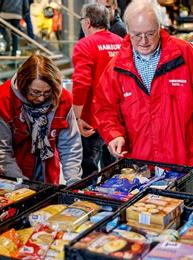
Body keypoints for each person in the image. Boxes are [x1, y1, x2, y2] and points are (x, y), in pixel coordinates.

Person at [94, 0, 193, 194]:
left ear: (159, 28)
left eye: (150, 33)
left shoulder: (184, 53)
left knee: (189, 218)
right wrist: (114, 134)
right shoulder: (116, 67)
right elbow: (105, 108)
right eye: (137, 35)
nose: (144, 41)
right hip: (142, 167)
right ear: (128, 30)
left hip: (185, 162)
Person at [0, 54, 82, 185]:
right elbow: (2, 152)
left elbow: (70, 146)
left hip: (45, 170)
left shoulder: (62, 99)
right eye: (35, 92)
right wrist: (21, 184)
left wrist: (73, 181)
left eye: (47, 92)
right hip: (10, 174)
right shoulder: (4, 99)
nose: (41, 99)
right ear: (23, 84)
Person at [72, 3, 123, 177]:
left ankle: (91, 202)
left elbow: (81, 84)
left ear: (87, 22)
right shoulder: (121, 43)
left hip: (91, 120)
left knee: (88, 169)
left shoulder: (84, 45)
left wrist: (76, 117)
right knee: (114, 169)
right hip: (117, 119)